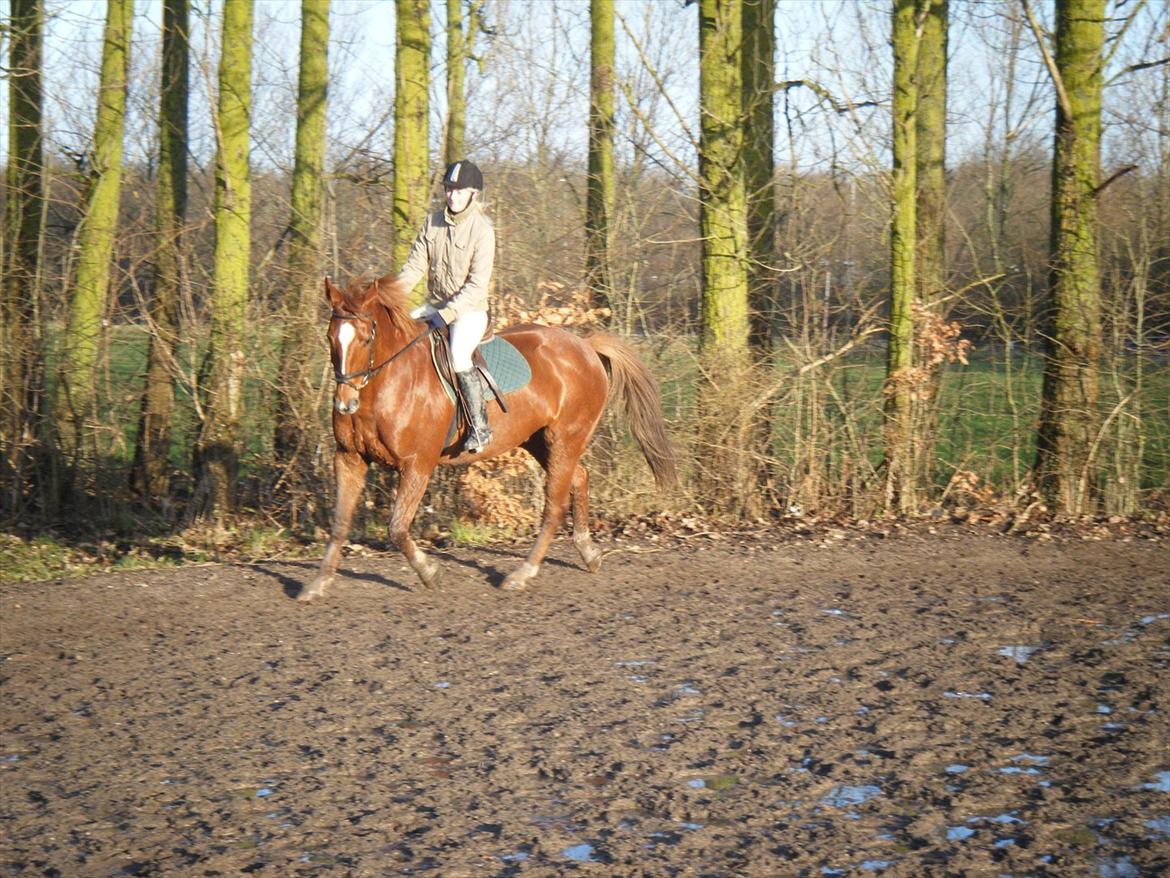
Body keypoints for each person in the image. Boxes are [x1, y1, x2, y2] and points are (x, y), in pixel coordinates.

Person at [397, 159, 495, 453]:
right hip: (435, 306)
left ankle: (479, 426)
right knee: (399, 333)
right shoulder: (432, 223)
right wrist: (390, 298)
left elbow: (477, 285)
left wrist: (449, 313)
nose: (452, 196)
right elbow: (414, 268)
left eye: (459, 191)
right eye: (449, 189)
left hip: (470, 311)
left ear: (473, 194)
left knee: (459, 354)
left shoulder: (482, 231)